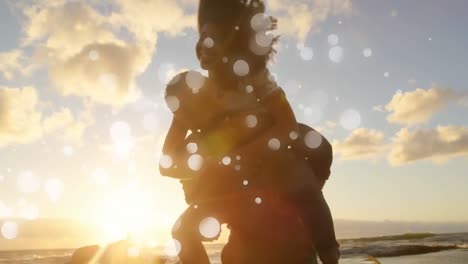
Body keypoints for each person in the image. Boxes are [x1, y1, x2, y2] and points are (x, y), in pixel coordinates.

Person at [159, 0, 340, 263]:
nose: (204, 45)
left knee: (306, 186)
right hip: (223, 184)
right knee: (181, 230)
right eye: (202, 37)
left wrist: (244, 154)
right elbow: (166, 163)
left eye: (214, 37)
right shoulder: (194, 93)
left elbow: (288, 126)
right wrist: (205, 160)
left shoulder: (257, 79)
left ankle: (329, 253)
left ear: (235, 41)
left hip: (272, 161)